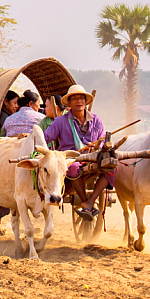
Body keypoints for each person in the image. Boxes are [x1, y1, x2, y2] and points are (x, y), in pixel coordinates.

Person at [43, 84, 113, 220]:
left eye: (82, 98)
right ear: (69, 102)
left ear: (86, 101)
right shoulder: (60, 122)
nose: (79, 101)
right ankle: (83, 199)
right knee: (73, 168)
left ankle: (89, 202)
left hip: (93, 157)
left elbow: (103, 140)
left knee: (111, 167)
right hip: (71, 159)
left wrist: (97, 147)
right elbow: (46, 137)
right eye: (75, 99)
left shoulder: (96, 120)